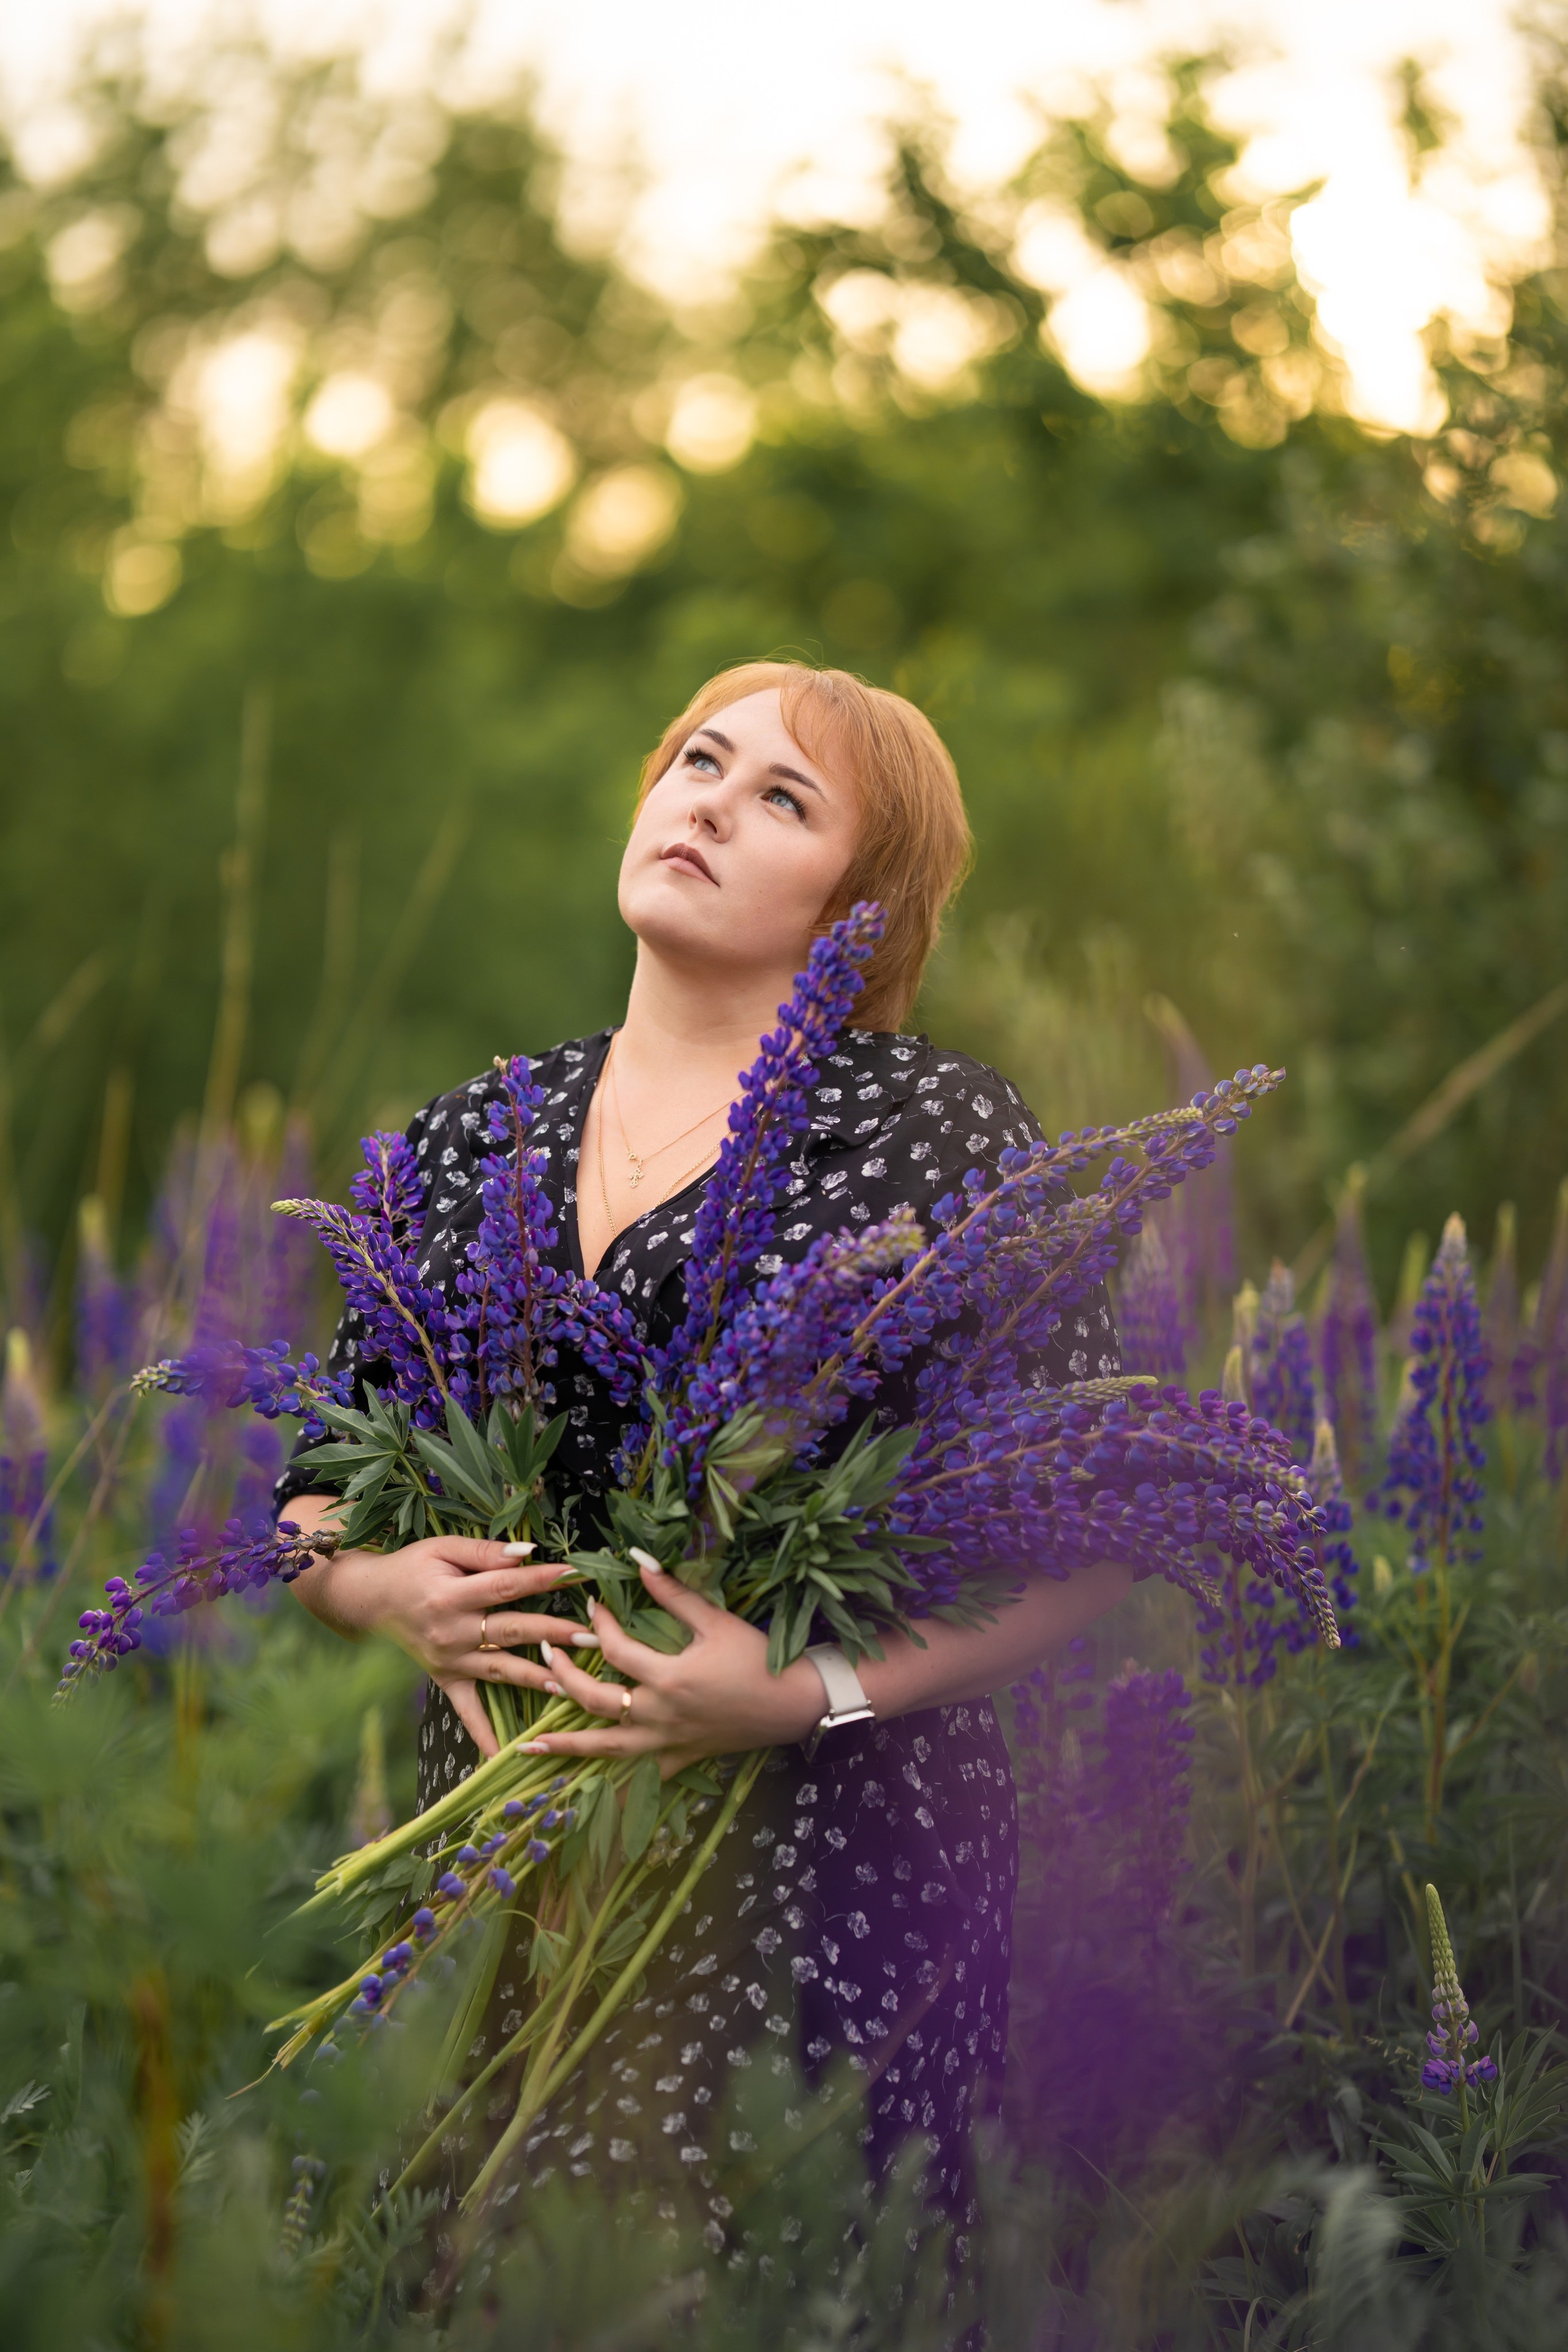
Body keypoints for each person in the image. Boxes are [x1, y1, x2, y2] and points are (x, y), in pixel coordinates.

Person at [274, 660, 1130, 2285]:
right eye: (698, 761)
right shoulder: (478, 1129)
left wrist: (802, 1693)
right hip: (499, 1856)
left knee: (747, 2294)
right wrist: (381, 1594)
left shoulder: (929, 1130)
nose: (712, 805)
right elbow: (314, 1495)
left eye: (784, 800)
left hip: (822, 1868)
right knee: (454, 2284)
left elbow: (1093, 1540)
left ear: (859, 909)